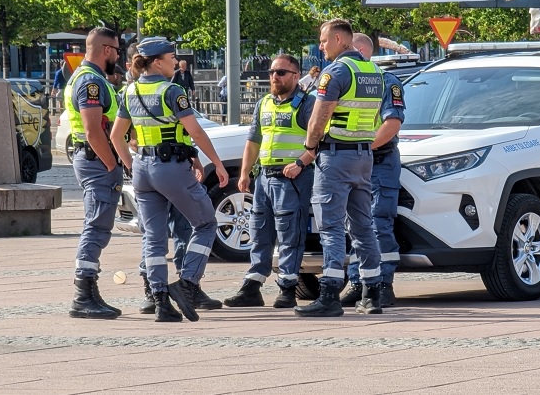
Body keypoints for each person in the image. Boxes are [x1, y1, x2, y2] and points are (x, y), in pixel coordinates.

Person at [110, 37, 229, 323]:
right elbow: (196, 132)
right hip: (171, 170)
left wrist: (132, 165)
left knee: (153, 238)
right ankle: (187, 284)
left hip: (142, 169)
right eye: (171, 57)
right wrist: (217, 163)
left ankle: (161, 301)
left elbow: (117, 136)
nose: (175, 62)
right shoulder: (172, 91)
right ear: (157, 61)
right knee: (206, 223)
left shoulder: (130, 90)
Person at [294, 18, 385, 318]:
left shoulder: (336, 72)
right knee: (363, 226)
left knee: (331, 226)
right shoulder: (374, 71)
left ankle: (330, 293)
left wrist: (309, 148)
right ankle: (372, 292)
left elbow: (320, 116)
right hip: (363, 157)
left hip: (335, 157)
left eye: (323, 40)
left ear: (339, 40)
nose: (320, 46)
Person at [222, 54, 316, 310]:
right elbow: (253, 140)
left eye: (281, 72)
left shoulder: (307, 104)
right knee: (259, 231)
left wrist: (301, 164)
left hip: (292, 178)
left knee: (289, 232)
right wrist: (244, 173)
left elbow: (319, 141)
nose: (274, 76)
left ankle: (287, 287)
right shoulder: (264, 103)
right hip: (265, 176)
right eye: (272, 72)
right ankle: (252, 285)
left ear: (296, 76)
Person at [340, 33, 405, 308]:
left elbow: (391, 123)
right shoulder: (345, 81)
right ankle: (359, 283)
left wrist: (363, 148)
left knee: (379, 223)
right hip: (354, 161)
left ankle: (382, 285)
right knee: (354, 226)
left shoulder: (385, 81)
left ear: (361, 50)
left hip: (379, 161)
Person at [65, 27, 124, 319]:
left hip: (93, 161)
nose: (118, 57)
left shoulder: (88, 78)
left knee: (97, 223)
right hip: (98, 163)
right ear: (106, 50)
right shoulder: (90, 81)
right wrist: (112, 164)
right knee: (96, 225)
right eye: (116, 51)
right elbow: (92, 130)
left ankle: (88, 291)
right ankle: (83, 295)